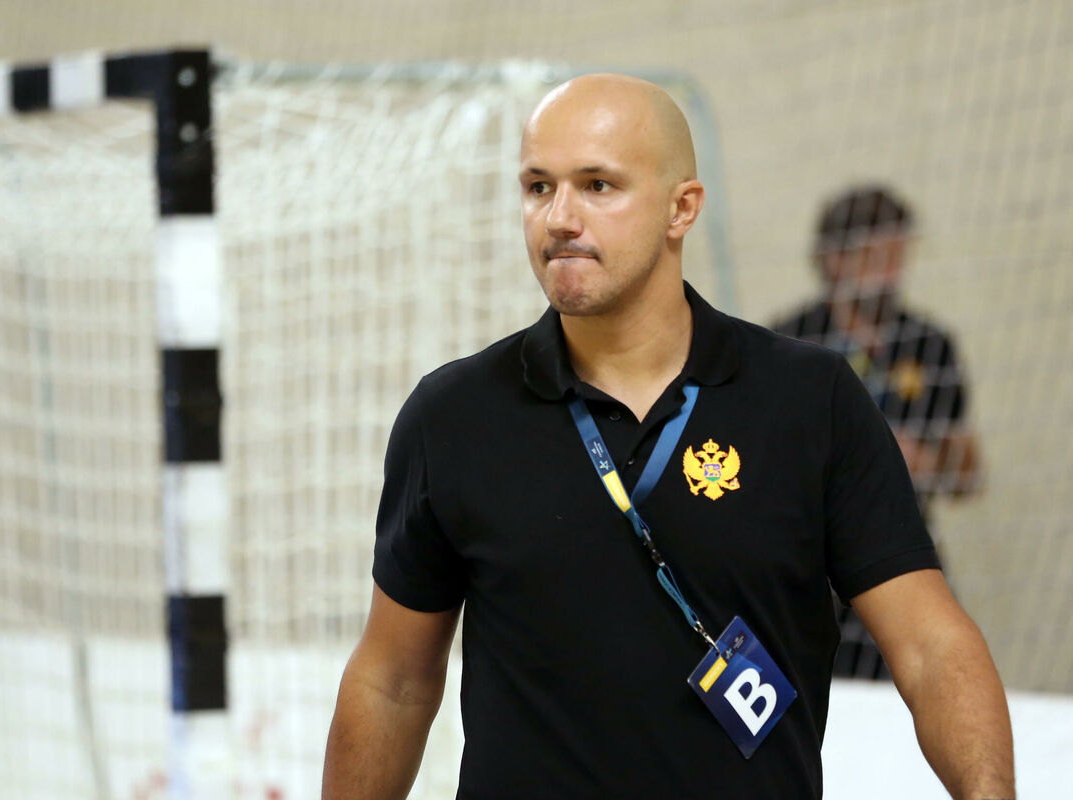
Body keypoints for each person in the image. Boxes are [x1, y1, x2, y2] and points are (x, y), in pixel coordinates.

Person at [323, 74, 1013, 799]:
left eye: (598, 186)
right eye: (538, 187)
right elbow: (393, 681)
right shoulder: (453, 414)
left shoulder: (811, 399)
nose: (559, 218)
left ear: (681, 209)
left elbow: (931, 647)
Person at [773, 186, 983, 680]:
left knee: (930, 681)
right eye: (874, 256)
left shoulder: (929, 344)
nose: (889, 272)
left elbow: (970, 477)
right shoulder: (789, 342)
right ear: (834, 258)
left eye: (898, 255)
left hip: (904, 559)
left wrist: (924, 462)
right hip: (813, 575)